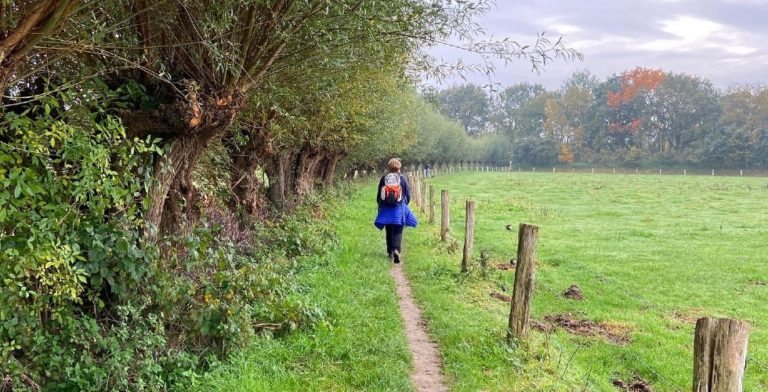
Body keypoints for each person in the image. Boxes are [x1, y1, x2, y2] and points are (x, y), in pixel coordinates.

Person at [374, 158, 418, 263]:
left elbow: (379, 196)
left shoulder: (384, 178)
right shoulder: (402, 179)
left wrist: (381, 206)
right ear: (399, 167)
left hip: (386, 209)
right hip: (399, 208)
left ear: (389, 167)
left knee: (389, 230)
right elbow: (407, 194)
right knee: (398, 230)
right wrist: (404, 204)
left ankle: (390, 251)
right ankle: (397, 250)